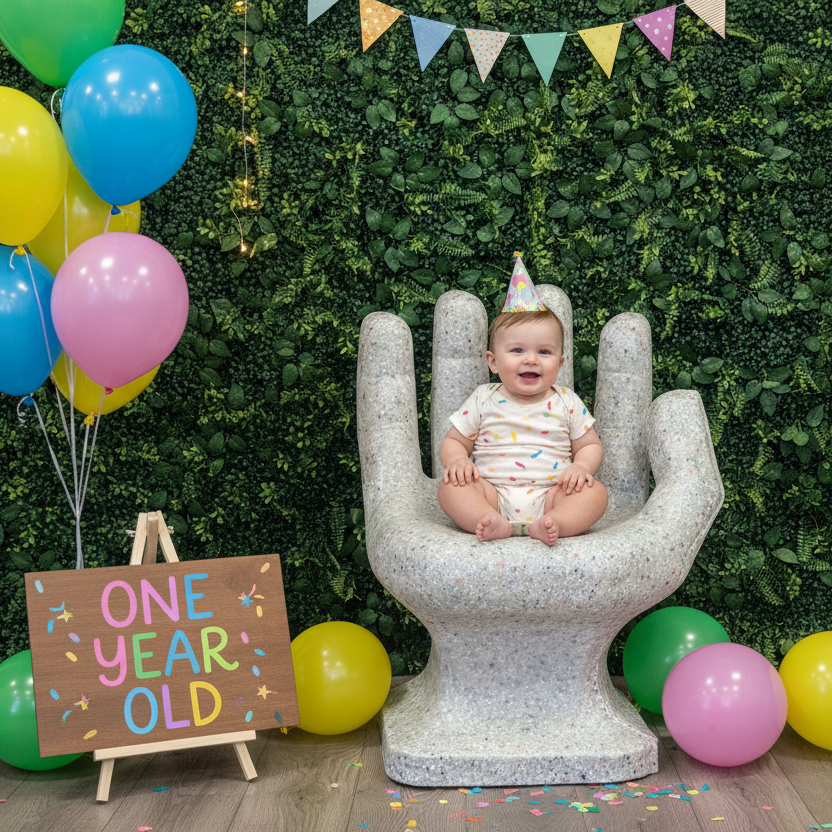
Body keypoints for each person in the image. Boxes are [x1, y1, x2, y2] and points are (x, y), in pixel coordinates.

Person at [437, 254, 608, 545]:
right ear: (492, 361)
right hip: (491, 493)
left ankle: (556, 523)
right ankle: (487, 520)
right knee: (449, 488)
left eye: (544, 352)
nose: (531, 360)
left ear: (561, 362)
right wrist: (456, 461)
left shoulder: (566, 401)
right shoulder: (482, 398)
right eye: (517, 351)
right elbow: (455, 441)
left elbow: (590, 445)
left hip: (553, 495)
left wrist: (581, 467)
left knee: (596, 494)